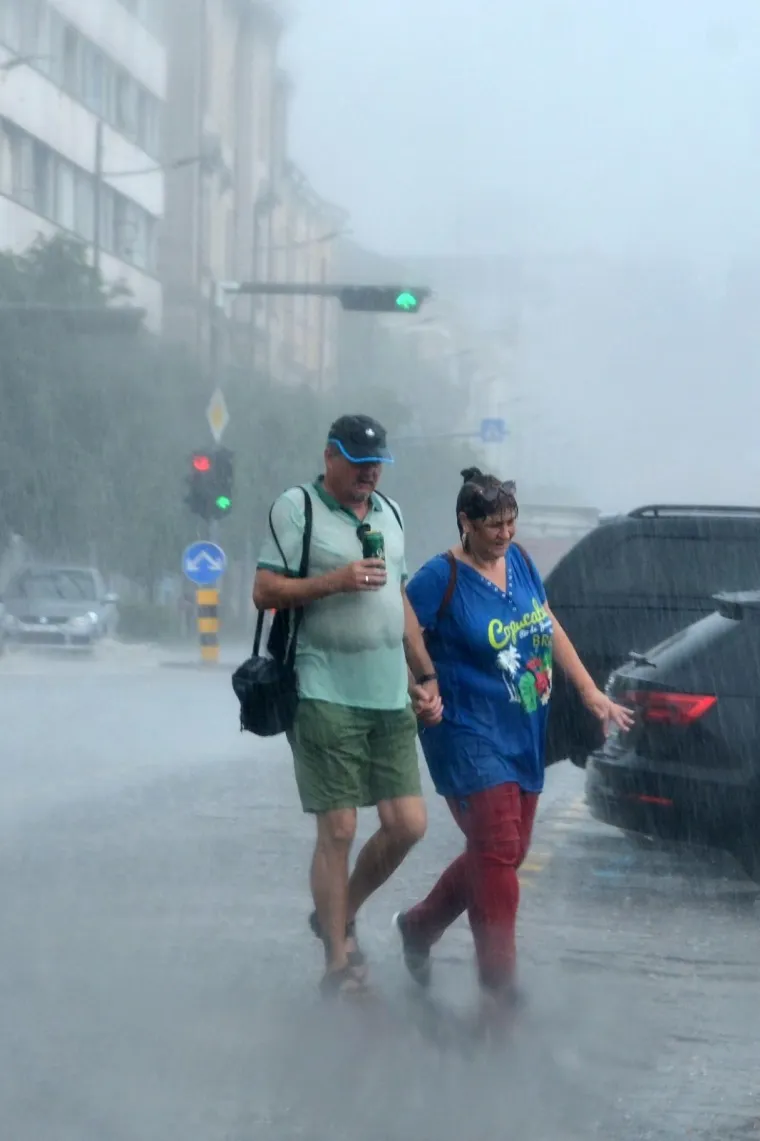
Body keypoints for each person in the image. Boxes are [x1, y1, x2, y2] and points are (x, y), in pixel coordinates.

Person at [393, 467, 632, 1023]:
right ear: (466, 521)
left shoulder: (519, 561)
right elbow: (399, 629)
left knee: (503, 852)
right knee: (498, 848)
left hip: (521, 726)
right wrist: (419, 685)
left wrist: (590, 691)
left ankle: (420, 925)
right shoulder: (440, 576)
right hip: (466, 731)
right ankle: (499, 986)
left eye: (510, 522)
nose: (504, 534)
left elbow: (546, 623)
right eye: (493, 525)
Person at [252, 414, 442, 998]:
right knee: (338, 829)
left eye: (376, 463)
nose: (369, 473)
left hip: (388, 694)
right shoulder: (298, 508)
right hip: (322, 688)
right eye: (358, 463)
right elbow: (265, 589)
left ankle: (338, 912)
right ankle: (337, 961)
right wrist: (335, 581)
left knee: (408, 825)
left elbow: (400, 601)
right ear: (330, 456)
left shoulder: (392, 513)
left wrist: (425, 674)